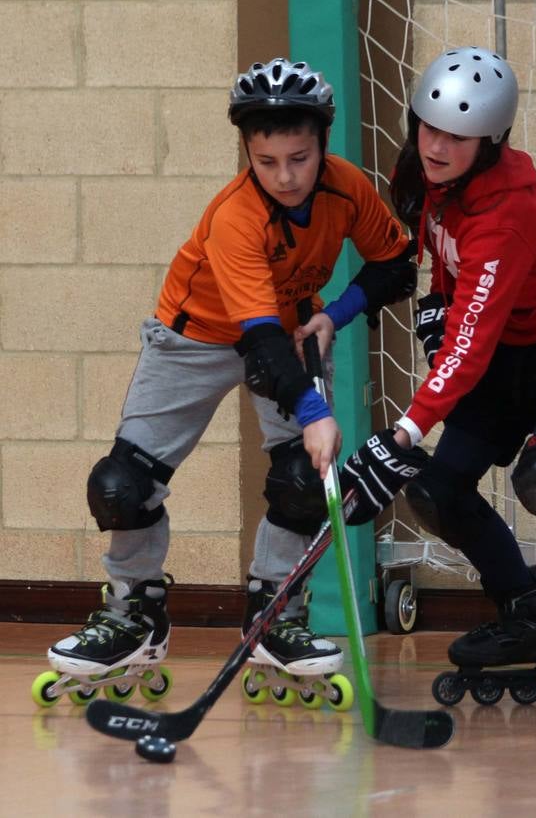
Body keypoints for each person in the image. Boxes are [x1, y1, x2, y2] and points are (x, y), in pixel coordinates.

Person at [42, 57, 416, 700]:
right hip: (196, 337)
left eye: (299, 158)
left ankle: (277, 614)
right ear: (247, 151)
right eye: (265, 161)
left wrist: (334, 314)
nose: (285, 177)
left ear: (323, 144)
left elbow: (397, 263)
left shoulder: (347, 187)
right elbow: (259, 344)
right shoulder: (236, 216)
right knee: (122, 483)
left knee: (303, 479)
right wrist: (317, 412)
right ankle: (135, 612)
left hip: (292, 327)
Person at [339, 46, 536, 723]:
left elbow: (470, 345)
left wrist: (402, 431)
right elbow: (442, 271)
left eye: (458, 135)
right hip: (509, 344)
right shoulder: (415, 171)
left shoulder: (507, 215)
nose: (438, 145)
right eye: (429, 127)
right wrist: (432, 309)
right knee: (436, 491)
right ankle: (527, 611)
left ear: (492, 140)